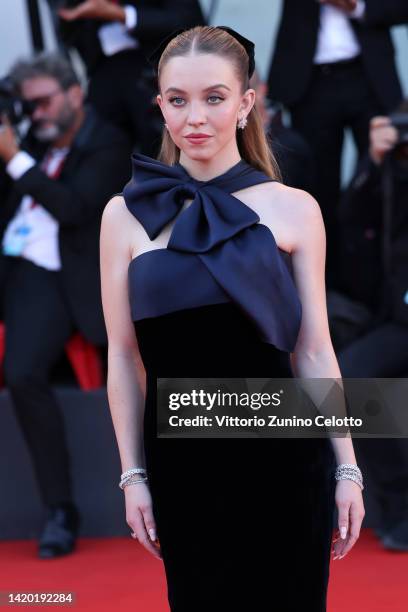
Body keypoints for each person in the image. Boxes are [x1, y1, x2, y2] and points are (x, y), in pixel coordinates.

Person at [99, 26, 365, 611]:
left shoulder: (296, 210)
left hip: (287, 461)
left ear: (247, 104)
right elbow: (122, 355)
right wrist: (132, 475)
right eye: (178, 99)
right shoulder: (123, 215)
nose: (196, 117)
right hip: (184, 468)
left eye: (214, 98)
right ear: (161, 105)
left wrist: (347, 467)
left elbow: (314, 350)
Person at [0, 52, 132, 559]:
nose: (36, 113)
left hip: (56, 278)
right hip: (13, 267)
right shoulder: (30, 143)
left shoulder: (107, 141)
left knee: (23, 372)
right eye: (27, 105)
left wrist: (14, 159)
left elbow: (76, 209)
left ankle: (61, 510)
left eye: (44, 101)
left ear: (75, 94)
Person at [267, 0, 405, 287]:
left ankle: (379, 287)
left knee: (379, 182)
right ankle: (326, 291)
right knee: (318, 192)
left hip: (369, 76)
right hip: (310, 81)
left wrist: (355, 6)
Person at [334, 104, 408, 551]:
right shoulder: (395, 172)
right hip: (398, 320)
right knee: (352, 379)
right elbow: (350, 220)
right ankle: (399, 508)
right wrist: (373, 160)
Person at [51, 0, 205, 155]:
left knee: (160, 146)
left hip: (156, 69)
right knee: (96, 144)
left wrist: (123, 15)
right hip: (102, 70)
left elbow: (189, 21)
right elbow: (67, 33)